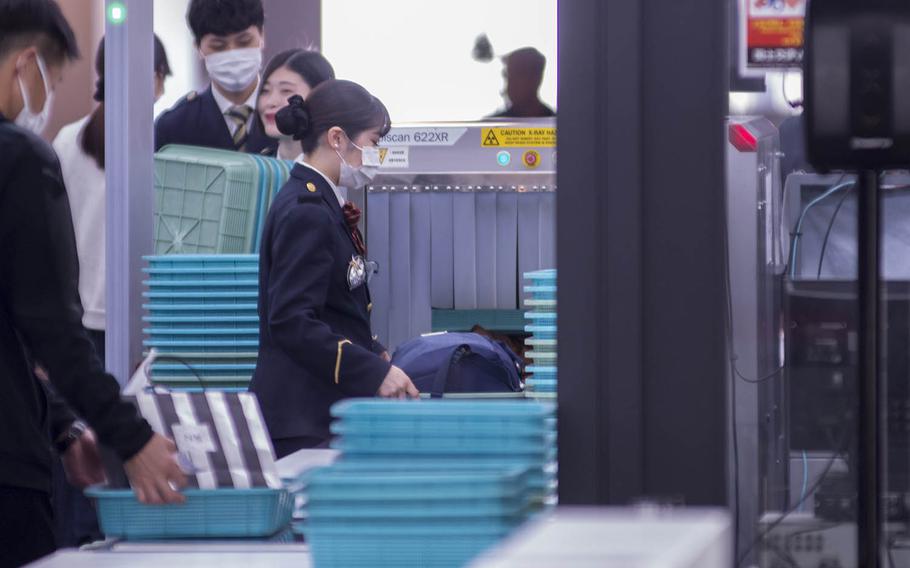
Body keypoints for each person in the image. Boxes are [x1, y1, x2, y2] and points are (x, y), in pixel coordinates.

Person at [0, 2, 186, 566]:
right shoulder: (20, 158)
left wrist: (58, 423)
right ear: (27, 63)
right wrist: (130, 440)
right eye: (53, 81)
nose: (48, 97)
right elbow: (48, 323)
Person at [250, 80, 419, 458]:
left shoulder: (319, 200)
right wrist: (372, 373)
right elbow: (292, 321)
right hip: (302, 415)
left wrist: (371, 350)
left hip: (313, 409)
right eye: (374, 142)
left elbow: (331, 308)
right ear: (338, 139)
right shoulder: (307, 211)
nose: (377, 154)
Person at [48, 34, 171, 549]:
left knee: (87, 458)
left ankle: (84, 552)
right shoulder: (159, 144)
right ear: (160, 80)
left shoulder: (65, 141)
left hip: (79, 326)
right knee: (136, 452)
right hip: (140, 330)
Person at [154, 0, 276, 154]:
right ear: (198, 48)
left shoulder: (288, 115)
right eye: (218, 46)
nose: (233, 53)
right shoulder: (175, 126)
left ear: (262, 35)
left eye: (244, 42)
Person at [257, 48, 335, 160]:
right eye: (265, 91)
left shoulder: (340, 172)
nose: (271, 102)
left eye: (286, 90)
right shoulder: (255, 169)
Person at [488, 47, 555, 118]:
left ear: (536, 78)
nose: (510, 84)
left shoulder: (559, 124)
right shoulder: (491, 126)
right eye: (507, 77)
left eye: (517, 74)